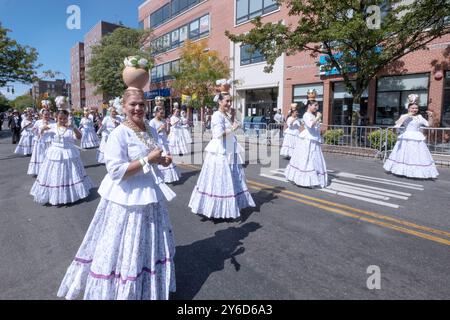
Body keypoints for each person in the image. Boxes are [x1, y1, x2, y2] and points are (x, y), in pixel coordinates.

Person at [57, 88, 176, 300]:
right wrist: (148, 159)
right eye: (133, 104)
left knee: (146, 243)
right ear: (124, 107)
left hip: (150, 193)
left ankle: (145, 283)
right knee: (125, 245)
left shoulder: (150, 128)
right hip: (127, 197)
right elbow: (116, 171)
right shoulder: (119, 133)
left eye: (141, 104)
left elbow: (154, 154)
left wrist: (162, 160)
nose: (138, 108)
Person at [189, 91, 255, 220]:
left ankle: (230, 205)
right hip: (220, 151)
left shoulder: (225, 115)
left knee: (230, 178)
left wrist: (232, 119)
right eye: (227, 101)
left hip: (229, 149)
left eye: (230, 101)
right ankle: (216, 209)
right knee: (220, 178)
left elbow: (230, 128)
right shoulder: (216, 115)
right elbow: (218, 134)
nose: (229, 104)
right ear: (220, 102)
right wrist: (233, 128)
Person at [30, 110, 93, 205]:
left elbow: (79, 137)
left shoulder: (70, 127)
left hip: (69, 152)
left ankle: (71, 194)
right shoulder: (52, 126)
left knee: (71, 173)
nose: (62, 120)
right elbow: (40, 133)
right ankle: (55, 195)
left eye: (64, 118)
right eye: (60, 118)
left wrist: (74, 128)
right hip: (55, 152)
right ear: (56, 118)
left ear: (67, 118)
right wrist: (42, 130)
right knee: (56, 173)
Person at [383, 94, 438, 179]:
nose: (414, 109)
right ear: (408, 108)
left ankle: (414, 172)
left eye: (416, 108)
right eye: (412, 108)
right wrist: (408, 115)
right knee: (404, 154)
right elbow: (397, 123)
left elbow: (429, 125)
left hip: (417, 137)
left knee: (416, 155)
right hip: (406, 137)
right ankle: (402, 170)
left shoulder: (419, 117)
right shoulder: (404, 116)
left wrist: (431, 117)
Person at [285, 100, 328, 188]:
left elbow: (315, 127)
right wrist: (318, 117)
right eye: (315, 105)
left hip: (314, 140)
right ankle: (304, 180)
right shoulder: (306, 115)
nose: (317, 107)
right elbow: (310, 125)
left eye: (317, 105)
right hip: (308, 141)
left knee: (314, 160)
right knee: (307, 159)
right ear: (309, 105)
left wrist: (317, 118)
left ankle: (315, 179)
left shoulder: (312, 115)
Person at [149, 105, 181, 183]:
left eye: (162, 110)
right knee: (160, 160)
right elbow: (151, 134)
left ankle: (168, 178)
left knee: (167, 159)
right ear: (156, 112)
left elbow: (167, 133)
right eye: (160, 110)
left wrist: (167, 126)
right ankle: (160, 177)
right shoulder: (152, 122)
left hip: (165, 143)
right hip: (158, 144)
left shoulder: (163, 121)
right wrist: (160, 129)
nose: (162, 112)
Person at [27, 109, 55, 176]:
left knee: (48, 156)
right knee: (40, 156)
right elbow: (34, 131)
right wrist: (36, 131)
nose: (47, 116)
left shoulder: (53, 122)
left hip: (50, 141)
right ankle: (39, 171)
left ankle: (49, 170)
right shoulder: (38, 122)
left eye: (48, 114)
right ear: (42, 115)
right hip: (40, 141)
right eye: (45, 114)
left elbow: (55, 132)